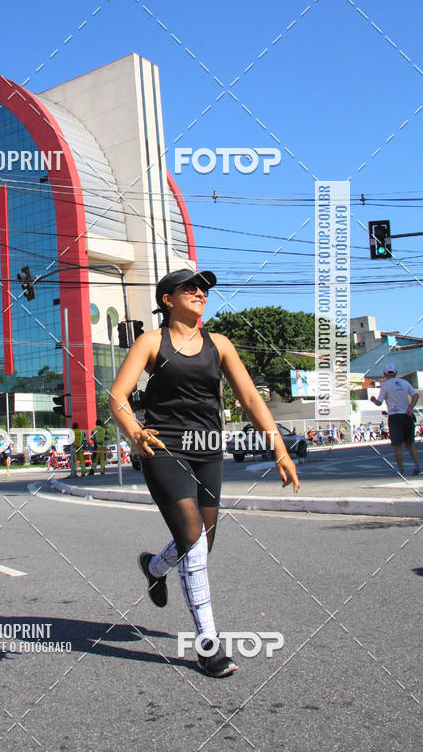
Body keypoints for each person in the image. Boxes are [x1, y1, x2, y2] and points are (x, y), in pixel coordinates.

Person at [109, 268, 299, 679]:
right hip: (164, 448)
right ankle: (208, 646)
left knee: (202, 543)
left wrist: (280, 449)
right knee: (192, 540)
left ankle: (155, 568)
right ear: (167, 299)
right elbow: (117, 395)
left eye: (203, 289)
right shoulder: (150, 342)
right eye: (189, 287)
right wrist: (135, 432)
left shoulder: (221, 344)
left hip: (208, 450)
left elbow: (249, 397)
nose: (199, 292)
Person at [371, 363, 421, 476]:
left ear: (384, 373)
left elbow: (379, 403)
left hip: (394, 417)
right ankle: (418, 467)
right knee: (410, 444)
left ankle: (401, 469)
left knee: (397, 445)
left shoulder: (385, 385)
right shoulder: (404, 382)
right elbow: (415, 395)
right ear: (396, 372)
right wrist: (410, 408)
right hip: (407, 416)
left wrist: (373, 400)